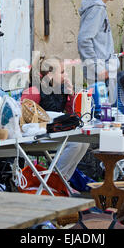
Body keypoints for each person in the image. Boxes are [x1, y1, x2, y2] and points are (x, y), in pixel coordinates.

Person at [21, 56, 89, 190]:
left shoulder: (60, 89)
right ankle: (54, 180)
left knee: (84, 141)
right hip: (36, 135)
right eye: (62, 72)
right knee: (75, 143)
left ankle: (63, 180)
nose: (66, 75)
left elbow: (70, 115)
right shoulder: (34, 91)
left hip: (55, 132)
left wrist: (70, 96)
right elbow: (24, 118)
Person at [77, 0, 122, 103]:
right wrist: (99, 68)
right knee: (104, 115)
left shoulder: (98, 7)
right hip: (100, 72)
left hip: (103, 70)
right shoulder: (97, 9)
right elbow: (84, 40)